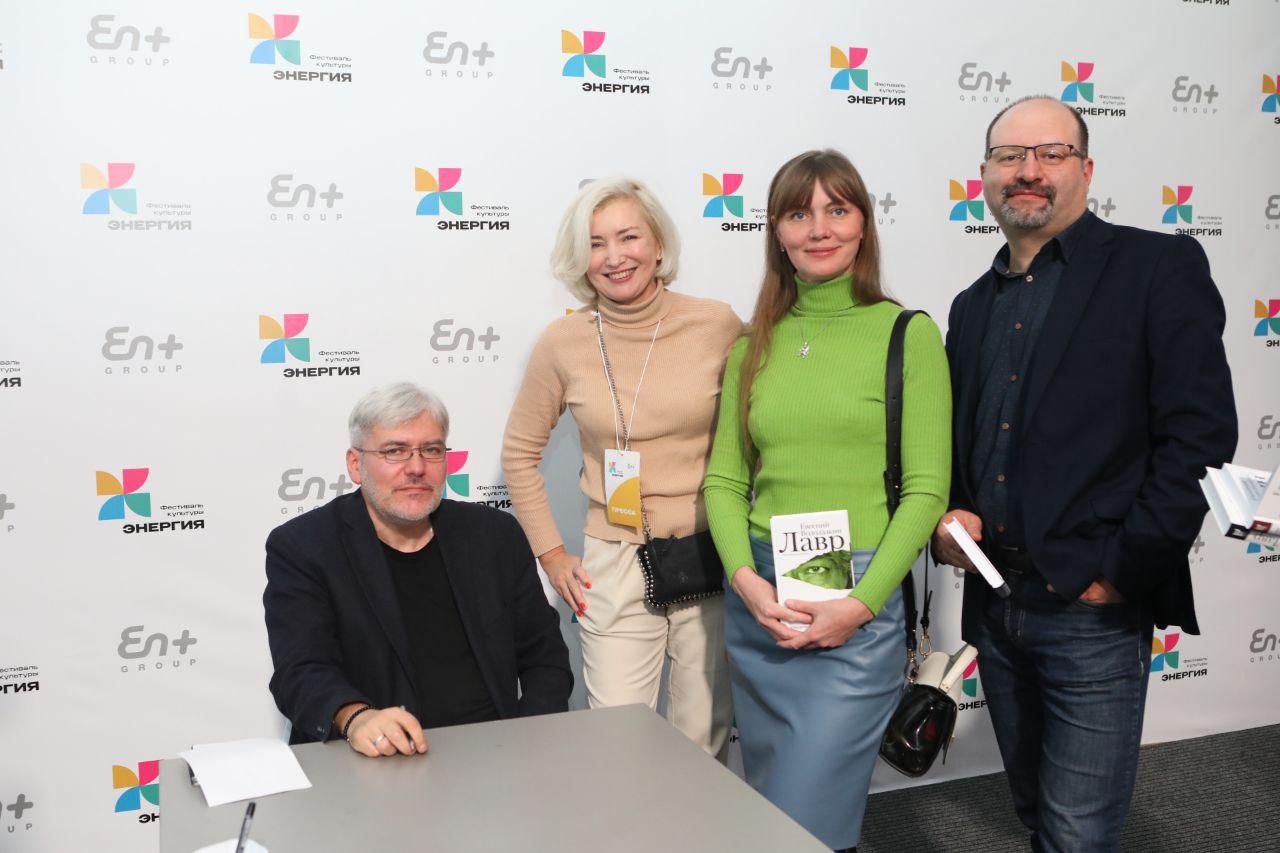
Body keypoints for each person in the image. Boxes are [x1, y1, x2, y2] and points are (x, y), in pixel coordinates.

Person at [931, 96, 1237, 852]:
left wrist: (1122, 571)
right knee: (1034, 810)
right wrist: (953, 513)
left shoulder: (1155, 267)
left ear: (1087, 169)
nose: (1028, 170)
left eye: (1051, 153)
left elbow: (1199, 435)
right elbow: (972, 441)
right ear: (985, 174)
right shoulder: (971, 306)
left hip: (1090, 609)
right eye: (1009, 156)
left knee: (1077, 833)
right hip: (996, 605)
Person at [703, 149, 951, 852]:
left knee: (807, 818)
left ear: (863, 224)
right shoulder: (752, 344)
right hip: (762, 603)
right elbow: (725, 481)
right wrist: (747, 583)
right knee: (769, 810)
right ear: (777, 232)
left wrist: (861, 604)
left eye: (837, 210)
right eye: (798, 213)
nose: (818, 229)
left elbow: (927, 490)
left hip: (857, 606)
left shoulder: (907, 334)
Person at [501, 177, 741, 758]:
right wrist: (551, 554)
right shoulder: (563, 342)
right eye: (596, 243)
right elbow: (519, 453)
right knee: (616, 743)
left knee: (702, 739)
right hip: (614, 556)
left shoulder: (716, 325)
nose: (614, 257)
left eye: (628, 237)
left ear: (658, 244)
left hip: (710, 551)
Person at [264, 382, 572, 757]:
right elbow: (300, 670)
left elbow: (544, 657)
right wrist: (356, 718)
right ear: (355, 464)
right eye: (395, 451)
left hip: (494, 754)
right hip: (371, 760)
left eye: (432, 450)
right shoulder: (304, 547)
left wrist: (530, 743)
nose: (416, 467)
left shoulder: (494, 535)